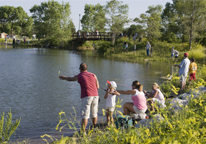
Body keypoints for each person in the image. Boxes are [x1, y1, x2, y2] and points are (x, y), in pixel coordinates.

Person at [59, 63, 99, 132]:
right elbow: (97, 87)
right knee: (94, 113)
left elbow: (70, 79)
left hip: (87, 96)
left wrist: (64, 78)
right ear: (86, 68)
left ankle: (83, 131)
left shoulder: (79, 76)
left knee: (85, 115)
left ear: (80, 69)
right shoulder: (93, 75)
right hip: (96, 96)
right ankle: (94, 128)